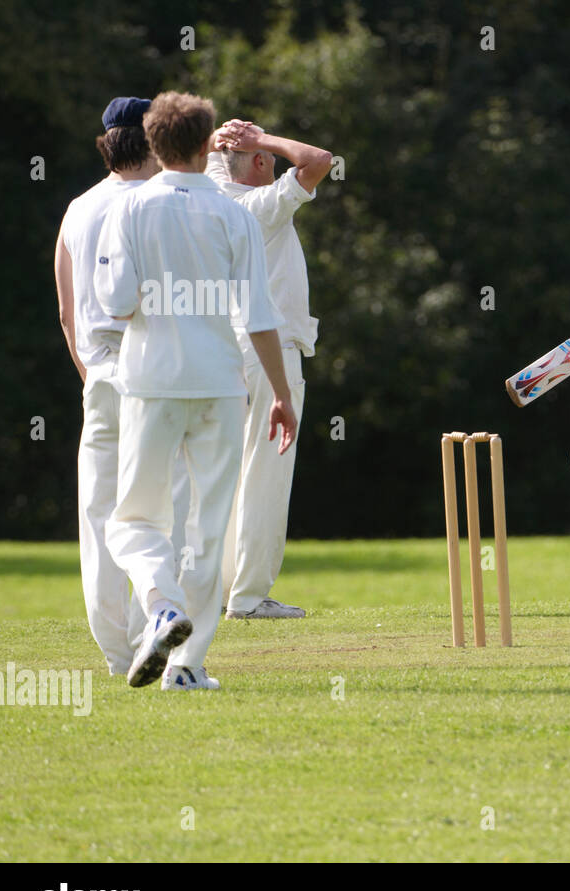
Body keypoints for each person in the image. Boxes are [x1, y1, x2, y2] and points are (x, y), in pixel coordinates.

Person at [95, 91, 297, 690]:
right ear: (209, 143)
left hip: (151, 383)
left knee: (134, 519)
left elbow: (115, 303)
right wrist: (282, 395)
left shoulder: (128, 210)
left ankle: (161, 606)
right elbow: (260, 315)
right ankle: (186, 666)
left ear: (153, 145)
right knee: (209, 528)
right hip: (219, 383)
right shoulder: (235, 213)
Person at [200, 118, 332, 620]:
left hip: (225, 352)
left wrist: (224, 140)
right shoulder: (261, 208)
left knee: (231, 475)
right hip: (269, 351)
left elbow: (216, 157)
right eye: (269, 160)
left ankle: (224, 590)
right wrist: (264, 139)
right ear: (257, 163)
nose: (275, 163)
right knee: (267, 474)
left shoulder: (213, 196)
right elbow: (319, 160)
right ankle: (250, 597)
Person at [54, 96, 159, 675]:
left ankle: (118, 653)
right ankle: (158, 624)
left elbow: (68, 312)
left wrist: (91, 374)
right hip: (154, 372)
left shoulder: (77, 208)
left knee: (99, 516)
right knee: (161, 509)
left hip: (99, 376)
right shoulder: (159, 202)